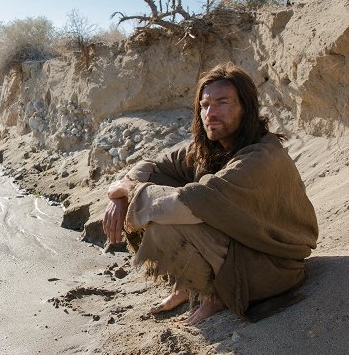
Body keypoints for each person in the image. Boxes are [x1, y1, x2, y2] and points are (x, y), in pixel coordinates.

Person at [103, 62, 318, 324]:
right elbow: (153, 166)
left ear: (245, 108)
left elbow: (191, 204)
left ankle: (217, 296)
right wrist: (121, 195)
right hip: (244, 246)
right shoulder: (212, 148)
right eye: (204, 105)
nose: (211, 113)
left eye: (223, 103)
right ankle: (187, 286)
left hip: (274, 266)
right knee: (150, 195)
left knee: (161, 220)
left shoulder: (260, 157)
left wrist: (130, 191)